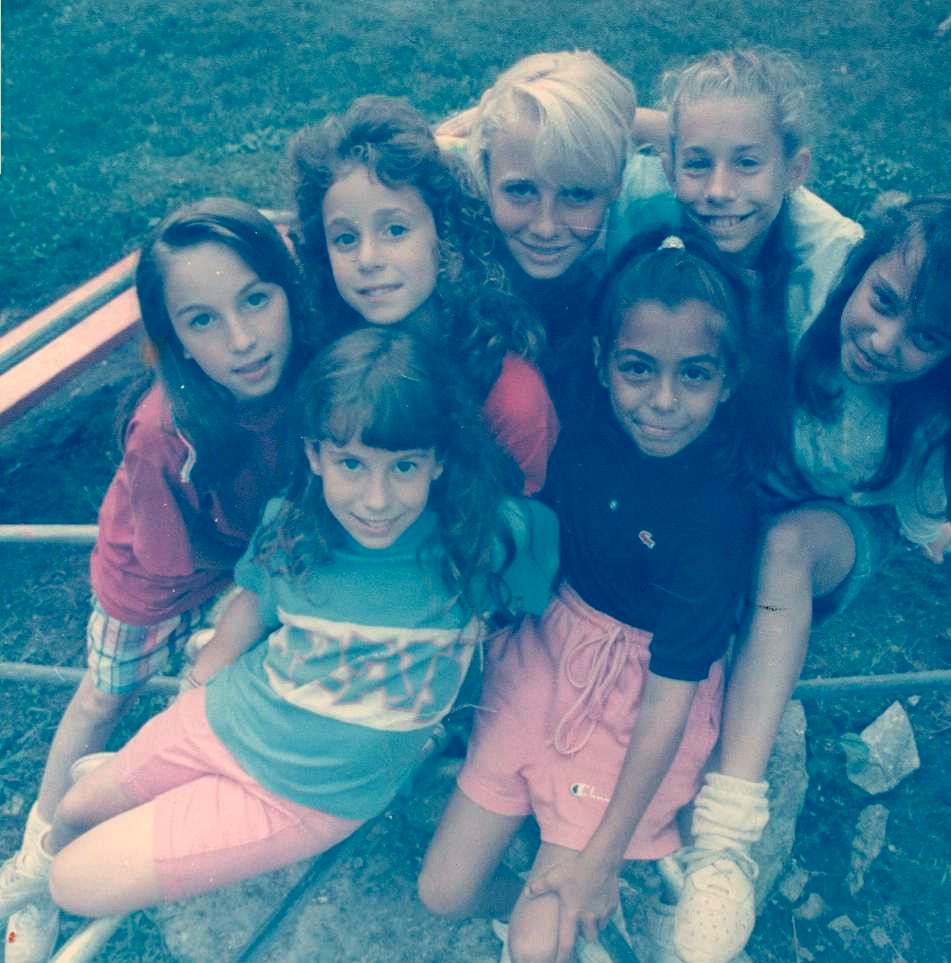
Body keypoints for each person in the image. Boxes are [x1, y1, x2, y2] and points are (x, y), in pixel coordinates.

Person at [4, 328, 558, 928]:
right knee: (76, 807)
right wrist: (202, 678)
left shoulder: (487, 539)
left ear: (438, 460)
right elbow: (253, 605)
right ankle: (30, 881)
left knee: (75, 883)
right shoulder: (293, 526)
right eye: (351, 464)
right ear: (315, 456)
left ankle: (66, 872)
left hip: (302, 797)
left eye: (403, 467)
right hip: (229, 715)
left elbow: (530, 626)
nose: (377, 500)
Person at [672, 196, 951, 963]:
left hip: (832, 530)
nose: (885, 341)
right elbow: (753, 162)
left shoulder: (934, 416)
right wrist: (645, 134)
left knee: (782, 549)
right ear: (863, 263)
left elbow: (917, 515)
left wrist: (930, 525)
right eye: (884, 302)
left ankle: (728, 832)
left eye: (925, 338)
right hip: (747, 493)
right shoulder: (822, 250)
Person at [418, 232, 770, 963]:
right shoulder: (579, 416)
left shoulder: (719, 514)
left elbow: (670, 698)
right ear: (604, 364)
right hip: (547, 654)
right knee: (443, 892)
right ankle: (558, 905)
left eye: (695, 375)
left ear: (728, 382)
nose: (662, 401)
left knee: (540, 945)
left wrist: (604, 856)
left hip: (634, 698)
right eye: (639, 369)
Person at [0, 197, 311, 963]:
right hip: (153, 577)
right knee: (103, 698)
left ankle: (153, 799)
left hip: (248, 563)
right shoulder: (161, 430)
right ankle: (36, 867)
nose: (242, 339)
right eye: (203, 321)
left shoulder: (316, 379)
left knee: (213, 694)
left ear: (290, 289)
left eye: (255, 300)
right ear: (172, 339)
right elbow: (178, 556)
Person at [289, 95, 558, 495]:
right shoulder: (319, 351)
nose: (368, 259)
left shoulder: (510, 396)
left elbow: (518, 521)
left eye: (395, 230)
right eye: (345, 238)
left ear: (444, 235)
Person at [609, 47, 864, 348]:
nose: (718, 191)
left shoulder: (828, 259)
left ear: (794, 172)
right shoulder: (632, 205)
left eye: (747, 163)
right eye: (698, 163)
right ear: (670, 171)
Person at [453, 50, 636, 410]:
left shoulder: (648, 208)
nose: (546, 227)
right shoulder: (446, 199)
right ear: (483, 170)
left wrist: (637, 122)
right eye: (521, 190)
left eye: (577, 194)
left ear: (617, 181)